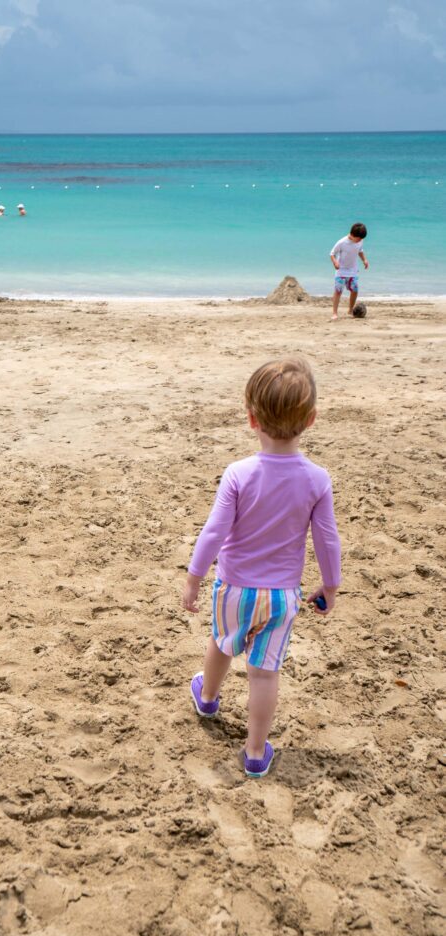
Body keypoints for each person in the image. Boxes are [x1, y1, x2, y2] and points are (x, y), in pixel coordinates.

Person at [182, 358, 341, 778]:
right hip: (282, 596)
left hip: (234, 587)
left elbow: (214, 532)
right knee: (264, 673)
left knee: (220, 641)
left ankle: (209, 698)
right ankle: (255, 752)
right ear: (311, 419)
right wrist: (330, 585)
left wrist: (194, 577)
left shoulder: (238, 474)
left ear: (251, 419)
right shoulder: (317, 479)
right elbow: (327, 540)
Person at [330, 222, 368, 320]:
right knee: (338, 291)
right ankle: (334, 313)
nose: (360, 240)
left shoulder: (360, 241)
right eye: (359, 238)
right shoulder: (342, 242)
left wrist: (364, 260)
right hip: (341, 271)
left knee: (355, 290)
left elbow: (360, 251)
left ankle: (350, 310)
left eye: (361, 239)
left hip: (353, 271)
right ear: (352, 235)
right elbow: (332, 253)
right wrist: (335, 262)